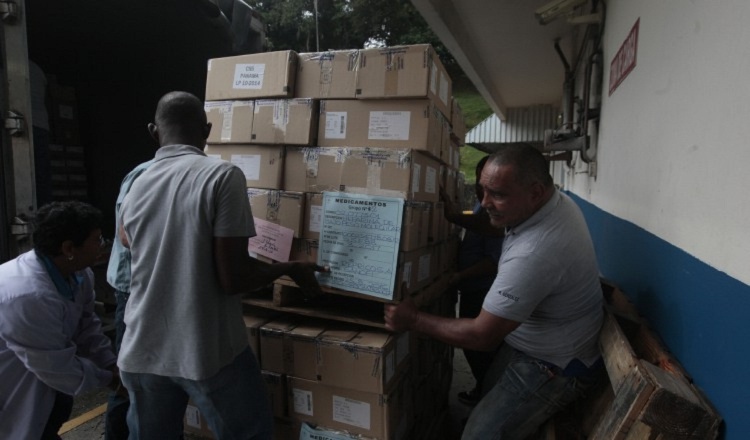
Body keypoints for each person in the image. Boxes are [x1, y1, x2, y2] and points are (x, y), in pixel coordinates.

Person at [117, 91, 327, 439]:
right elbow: (234, 278)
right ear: (208, 130)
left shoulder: (136, 182)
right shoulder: (221, 176)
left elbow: (128, 242)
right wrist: (290, 267)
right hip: (205, 348)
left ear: (154, 132)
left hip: (141, 349)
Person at [385, 144, 604, 439]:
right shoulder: (548, 203)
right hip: (533, 340)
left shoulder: (535, 253)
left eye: (498, 194)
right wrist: (455, 217)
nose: (485, 202)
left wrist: (412, 320)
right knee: (487, 395)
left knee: (478, 436)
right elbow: (493, 224)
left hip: (555, 365)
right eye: (483, 190)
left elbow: (482, 336)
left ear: (536, 192)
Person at [0, 201, 122, 440]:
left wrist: (109, 363)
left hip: (38, 379)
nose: (103, 245)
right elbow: (55, 366)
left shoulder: (79, 273)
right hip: (12, 381)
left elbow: (87, 327)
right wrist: (111, 380)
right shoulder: (28, 294)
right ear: (69, 248)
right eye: (96, 239)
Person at [443, 155, 504, 406]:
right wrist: (453, 216)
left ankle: (486, 398)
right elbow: (475, 222)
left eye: (489, 187)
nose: (482, 192)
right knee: (473, 350)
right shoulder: (482, 207)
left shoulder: (499, 215)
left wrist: (459, 276)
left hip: (482, 292)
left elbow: (493, 261)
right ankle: (482, 389)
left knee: (480, 350)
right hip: (471, 290)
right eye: (480, 185)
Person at [103, 158, 154, 440]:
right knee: (129, 376)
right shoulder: (147, 174)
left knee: (146, 374)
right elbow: (128, 235)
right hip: (132, 287)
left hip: (149, 286)